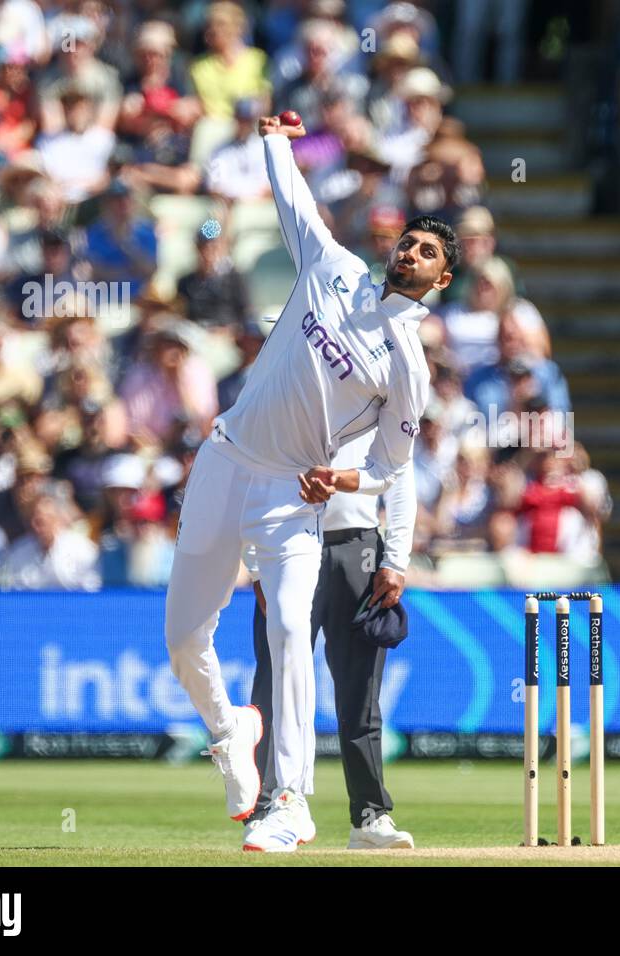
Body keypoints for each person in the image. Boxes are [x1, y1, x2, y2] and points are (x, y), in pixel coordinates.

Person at [163, 115, 455, 853]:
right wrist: (273, 140)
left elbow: (392, 467)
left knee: (292, 631)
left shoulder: (407, 367)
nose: (412, 253)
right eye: (409, 242)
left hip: (292, 496)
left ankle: (289, 800)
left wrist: (345, 478)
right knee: (182, 639)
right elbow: (291, 197)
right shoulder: (332, 266)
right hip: (224, 461)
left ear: (440, 279)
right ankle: (232, 733)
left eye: (428, 253)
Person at [246, 432, 417, 849]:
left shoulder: (379, 397)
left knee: (361, 689)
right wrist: (256, 567)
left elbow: (399, 474)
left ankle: (370, 816)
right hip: (289, 541)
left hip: (358, 542)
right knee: (276, 682)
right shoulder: (289, 391)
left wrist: (395, 559)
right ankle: (269, 808)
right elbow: (252, 477)